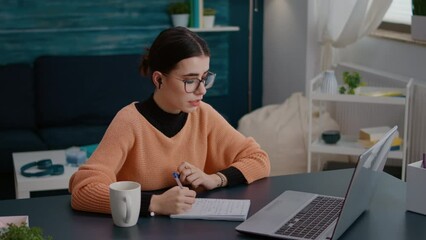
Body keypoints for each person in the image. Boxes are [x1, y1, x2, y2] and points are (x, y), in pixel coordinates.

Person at [68, 26, 270, 217]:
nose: (202, 90)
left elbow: (259, 159)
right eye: (190, 80)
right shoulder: (129, 121)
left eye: (205, 77)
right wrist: (155, 203)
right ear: (158, 80)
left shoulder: (203, 114)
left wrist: (214, 179)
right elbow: (84, 191)